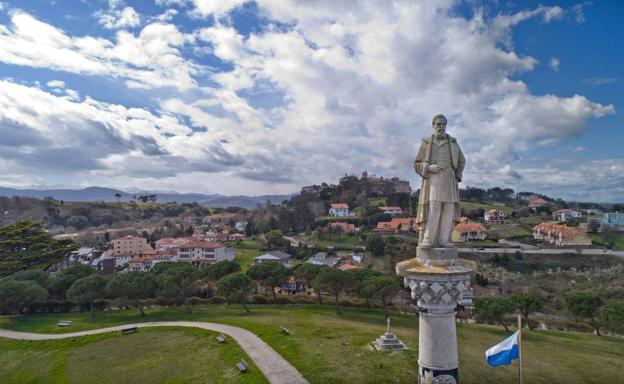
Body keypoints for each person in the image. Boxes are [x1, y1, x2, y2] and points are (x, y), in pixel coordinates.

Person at [414, 114, 465, 248]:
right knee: (434, 208)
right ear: (433, 125)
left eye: (443, 124)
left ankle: (444, 240)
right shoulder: (426, 142)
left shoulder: (453, 143)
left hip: (449, 179)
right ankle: (428, 239)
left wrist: (457, 174)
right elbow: (417, 163)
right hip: (433, 178)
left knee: (448, 209)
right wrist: (428, 167)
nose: (441, 127)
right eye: (438, 124)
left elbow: (461, 160)